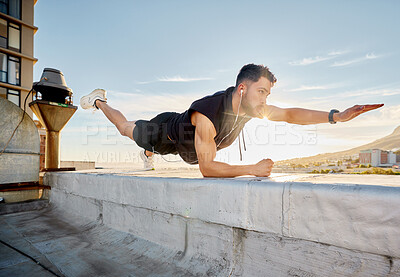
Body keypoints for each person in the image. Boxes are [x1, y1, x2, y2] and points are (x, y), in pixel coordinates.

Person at [80, 64, 383, 177]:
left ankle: (149, 154)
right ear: (243, 88)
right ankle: (99, 100)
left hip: (186, 146)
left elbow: (290, 115)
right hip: (164, 132)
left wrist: (336, 117)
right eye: (262, 91)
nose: (265, 99)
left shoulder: (251, 108)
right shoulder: (208, 116)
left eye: (267, 93)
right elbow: (207, 168)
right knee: (125, 128)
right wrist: (252, 168)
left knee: (167, 150)